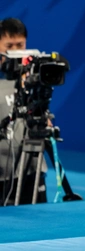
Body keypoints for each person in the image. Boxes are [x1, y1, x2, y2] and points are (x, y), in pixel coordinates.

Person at [0, 18, 47, 205]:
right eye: (8, 45)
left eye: (20, 45)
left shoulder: (33, 81)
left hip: (31, 170)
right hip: (2, 173)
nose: (15, 51)